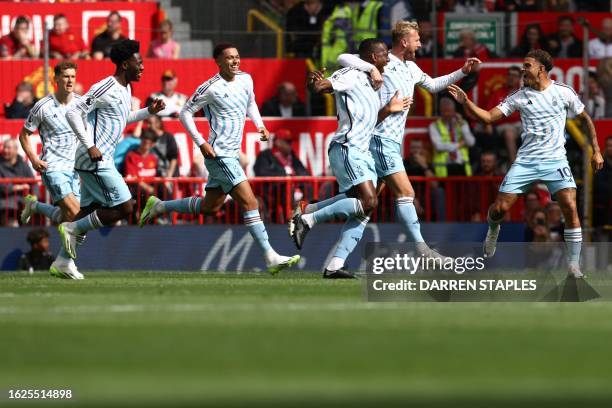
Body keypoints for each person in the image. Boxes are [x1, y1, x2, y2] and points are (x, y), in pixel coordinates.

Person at [138, 43, 299, 275]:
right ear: (219, 62)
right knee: (251, 203)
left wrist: (260, 125)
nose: (235, 61)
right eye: (229, 58)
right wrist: (201, 143)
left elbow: (251, 102)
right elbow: (185, 113)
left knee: (209, 207)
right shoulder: (210, 87)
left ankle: (159, 206)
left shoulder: (246, 79)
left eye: (237, 56)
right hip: (219, 154)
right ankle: (270, 256)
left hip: (232, 153)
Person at [447, 49, 604, 278]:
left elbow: (586, 119)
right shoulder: (519, 96)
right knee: (500, 208)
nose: (523, 69)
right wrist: (466, 102)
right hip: (526, 161)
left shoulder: (563, 92)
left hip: (555, 160)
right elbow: (489, 117)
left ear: (541, 68)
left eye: (527, 65)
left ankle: (573, 265)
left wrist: (596, 151)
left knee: (570, 206)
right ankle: (493, 229)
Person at [291, 38, 410, 279]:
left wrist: (388, 110)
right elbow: (324, 86)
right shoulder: (350, 73)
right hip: (348, 147)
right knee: (368, 202)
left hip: (362, 150)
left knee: (362, 209)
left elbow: (368, 120)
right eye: (384, 54)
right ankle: (308, 219)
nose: (388, 57)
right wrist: (314, 84)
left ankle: (334, 264)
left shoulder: (371, 81)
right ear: (373, 57)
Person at [60, 40, 165, 268]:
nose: (143, 67)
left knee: (87, 210)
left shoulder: (126, 88)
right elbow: (72, 112)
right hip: (94, 158)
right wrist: (90, 145)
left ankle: (62, 262)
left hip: (97, 158)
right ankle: (72, 229)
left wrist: (149, 112)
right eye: (139, 63)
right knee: (125, 207)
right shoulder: (106, 86)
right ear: (126, 64)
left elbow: (122, 118)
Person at [18, 61, 84, 279]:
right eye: (65, 76)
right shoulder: (42, 106)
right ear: (55, 79)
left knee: (72, 219)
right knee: (76, 216)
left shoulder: (83, 104)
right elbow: (24, 135)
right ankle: (65, 262)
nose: (70, 80)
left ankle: (35, 206)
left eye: (73, 76)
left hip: (75, 169)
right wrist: (34, 158)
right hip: (53, 167)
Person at [484, 66, 523, 163]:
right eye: (510, 75)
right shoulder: (497, 92)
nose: (511, 77)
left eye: (515, 75)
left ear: (519, 79)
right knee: (509, 134)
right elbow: (488, 112)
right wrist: (487, 124)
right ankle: (514, 167)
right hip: (503, 125)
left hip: (521, 124)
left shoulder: (524, 93)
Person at [429, 97, 475, 177]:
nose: (447, 114)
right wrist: (459, 144)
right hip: (444, 168)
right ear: (441, 112)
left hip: (462, 165)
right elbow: (439, 146)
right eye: (445, 111)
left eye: (449, 111)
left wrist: (462, 124)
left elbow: (471, 142)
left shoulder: (462, 123)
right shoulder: (434, 126)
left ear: (454, 111)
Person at [0, 139, 34, 227]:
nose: (5, 150)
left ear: (16, 150)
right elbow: (2, 186)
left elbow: (33, 182)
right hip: (6, 203)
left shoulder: (23, 164)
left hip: (23, 202)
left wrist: (35, 197)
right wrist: (20, 187)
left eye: (8, 148)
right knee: (12, 224)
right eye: (4, 147)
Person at [125, 129, 159, 205]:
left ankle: (164, 216)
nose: (145, 144)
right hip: (137, 190)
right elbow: (132, 177)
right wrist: (147, 188)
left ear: (152, 144)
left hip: (151, 189)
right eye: (144, 141)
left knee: (164, 190)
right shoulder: (131, 156)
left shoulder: (153, 158)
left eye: (148, 143)